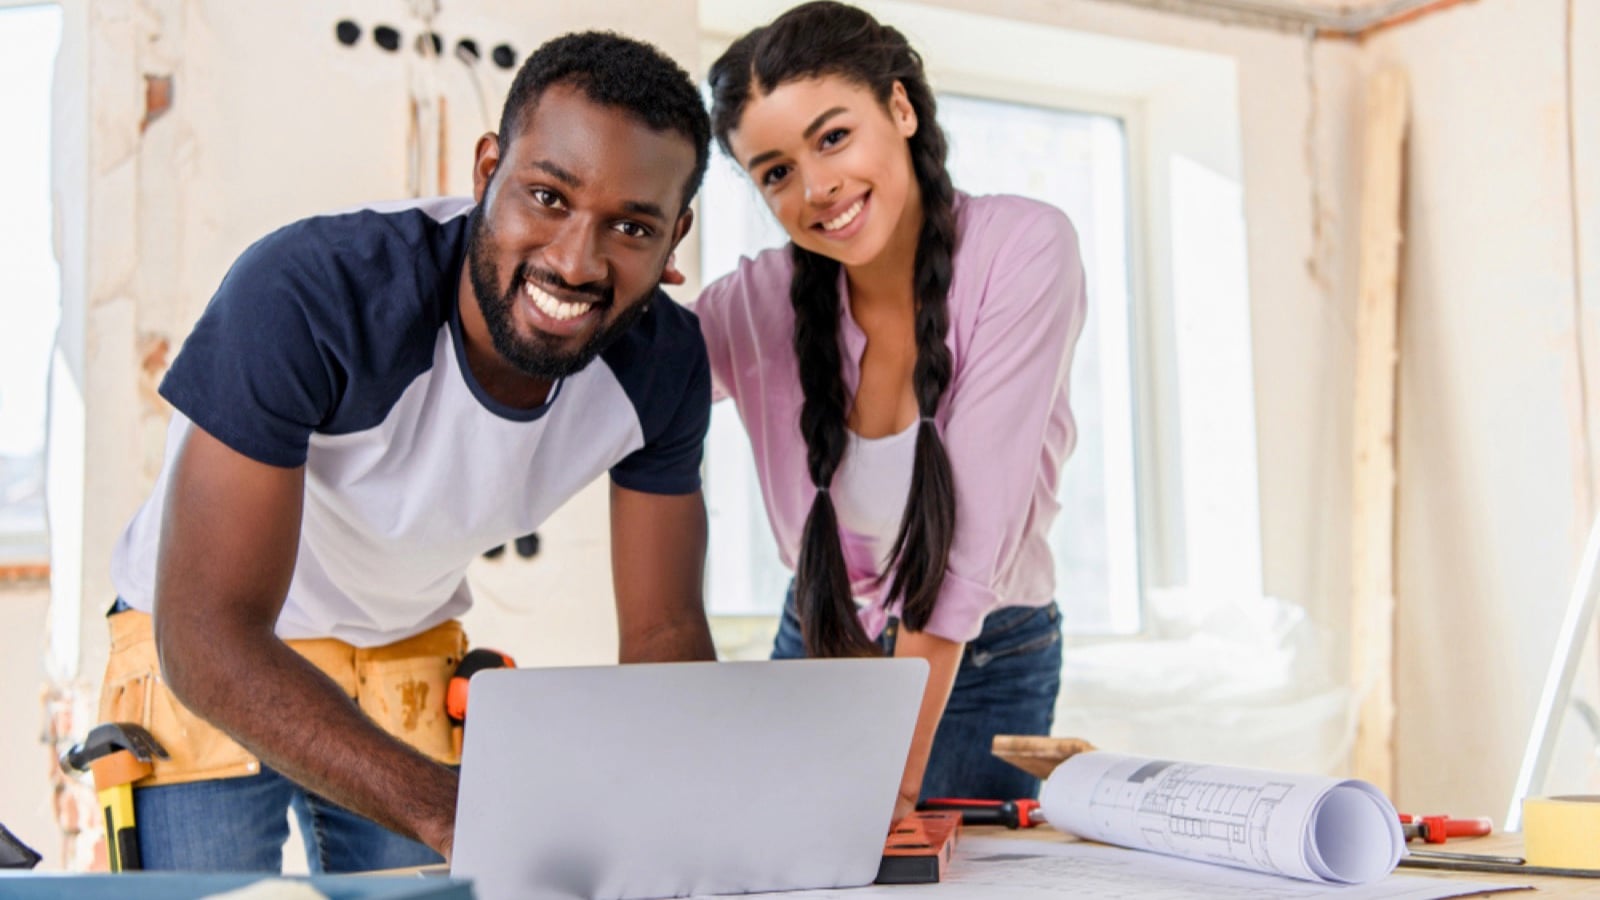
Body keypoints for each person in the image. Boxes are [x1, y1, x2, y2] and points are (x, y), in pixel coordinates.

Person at [97, 31, 716, 873]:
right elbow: (207, 631)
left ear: (673, 240)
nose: (576, 260)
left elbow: (666, 628)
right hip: (214, 651)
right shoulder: (311, 293)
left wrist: (691, 816)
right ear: (487, 168)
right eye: (546, 196)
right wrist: (453, 812)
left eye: (631, 226)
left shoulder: (664, 368)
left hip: (406, 652)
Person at [695, 1, 1087, 821]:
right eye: (775, 172)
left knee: (937, 878)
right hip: (822, 630)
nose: (817, 188)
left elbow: (965, 547)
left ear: (901, 108)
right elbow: (609, 387)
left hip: (982, 657)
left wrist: (889, 790)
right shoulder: (757, 301)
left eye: (832, 137)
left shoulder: (1023, 250)